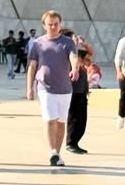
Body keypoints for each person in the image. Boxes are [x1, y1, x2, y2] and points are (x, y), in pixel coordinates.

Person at [26, 10, 80, 167]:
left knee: (61, 122)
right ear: (44, 25)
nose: (53, 27)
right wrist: (29, 87)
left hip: (64, 87)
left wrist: (74, 68)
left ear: (60, 24)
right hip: (45, 87)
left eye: (56, 24)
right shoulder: (37, 43)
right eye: (50, 24)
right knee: (50, 119)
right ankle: (53, 152)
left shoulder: (67, 42)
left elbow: (73, 57)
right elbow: (32, 66)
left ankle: (57, 151)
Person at [65, 43, 91, 154]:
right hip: (73, 91)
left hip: (81, 91)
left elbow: (90, 53)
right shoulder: (68, 54)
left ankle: (75, 142)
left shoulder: (77, 51)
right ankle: (71, 143)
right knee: (74, 118)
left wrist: (84, 43)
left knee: (82, 120)